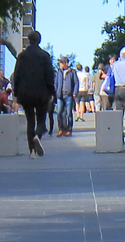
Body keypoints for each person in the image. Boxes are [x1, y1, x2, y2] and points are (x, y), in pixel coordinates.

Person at [12, 28, 57, 157]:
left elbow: (17, 74)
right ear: (39, 40)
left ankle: (31, 150)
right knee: (41, 119)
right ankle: (38, 136)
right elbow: (49, 76)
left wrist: (16, 92)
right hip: (41, 93)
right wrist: (52, 92)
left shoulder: (22, 56)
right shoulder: (44, 56)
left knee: (30, 120)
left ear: (28, 40)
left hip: (25, 93)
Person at [54, 56, 79, 137]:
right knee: (59, 113)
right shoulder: (59, 72)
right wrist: (55, 92)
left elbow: (76, 83)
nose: (60, 64)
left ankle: (69, 129)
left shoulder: (72, 72)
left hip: (69, 95)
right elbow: (56, 83)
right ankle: (61, 129)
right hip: (60, 95)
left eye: (61, 63)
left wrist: (74, 92)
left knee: (68, 113)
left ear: (66, 63)